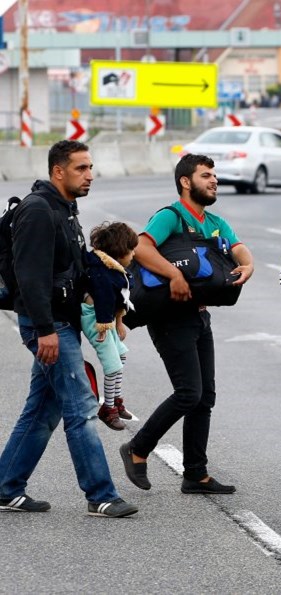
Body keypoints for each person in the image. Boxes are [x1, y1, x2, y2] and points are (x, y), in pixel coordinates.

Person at [0, 140, 138, 518]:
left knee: (43, 409)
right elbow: (30, 276)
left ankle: (6, 486)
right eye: (81, 168)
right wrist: (44, 329)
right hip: (48, 325)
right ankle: (101, 495)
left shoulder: (65, 209)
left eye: (90, 167)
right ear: (58, 171)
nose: (89, 175)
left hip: (62, 321)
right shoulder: (38, 211)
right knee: (80, 408)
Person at [119, 154, 254, 495]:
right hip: (168, 317)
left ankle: (196, 473)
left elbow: (239, 249)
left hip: (198, 316)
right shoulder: (171, 216)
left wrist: (248, 266)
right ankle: (137, 448)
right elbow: (140, 246)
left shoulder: (215, 222)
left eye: (215, 176)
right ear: (185, 181)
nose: (214, 181)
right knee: (188, 393)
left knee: (204, 397)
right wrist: (174, 274)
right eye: (206, 175)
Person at [82, 221, 139, 431]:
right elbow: (105, 301)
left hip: (105, 320)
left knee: (121, 354)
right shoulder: (102, 273)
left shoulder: (114, 269)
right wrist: (106, 327)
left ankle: (115, 399)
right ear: (119, 250)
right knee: (112, 365)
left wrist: (119, 323)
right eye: (131, 250)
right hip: (96, 320)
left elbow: (119, 301)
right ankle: (108, 408)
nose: (133, 254)